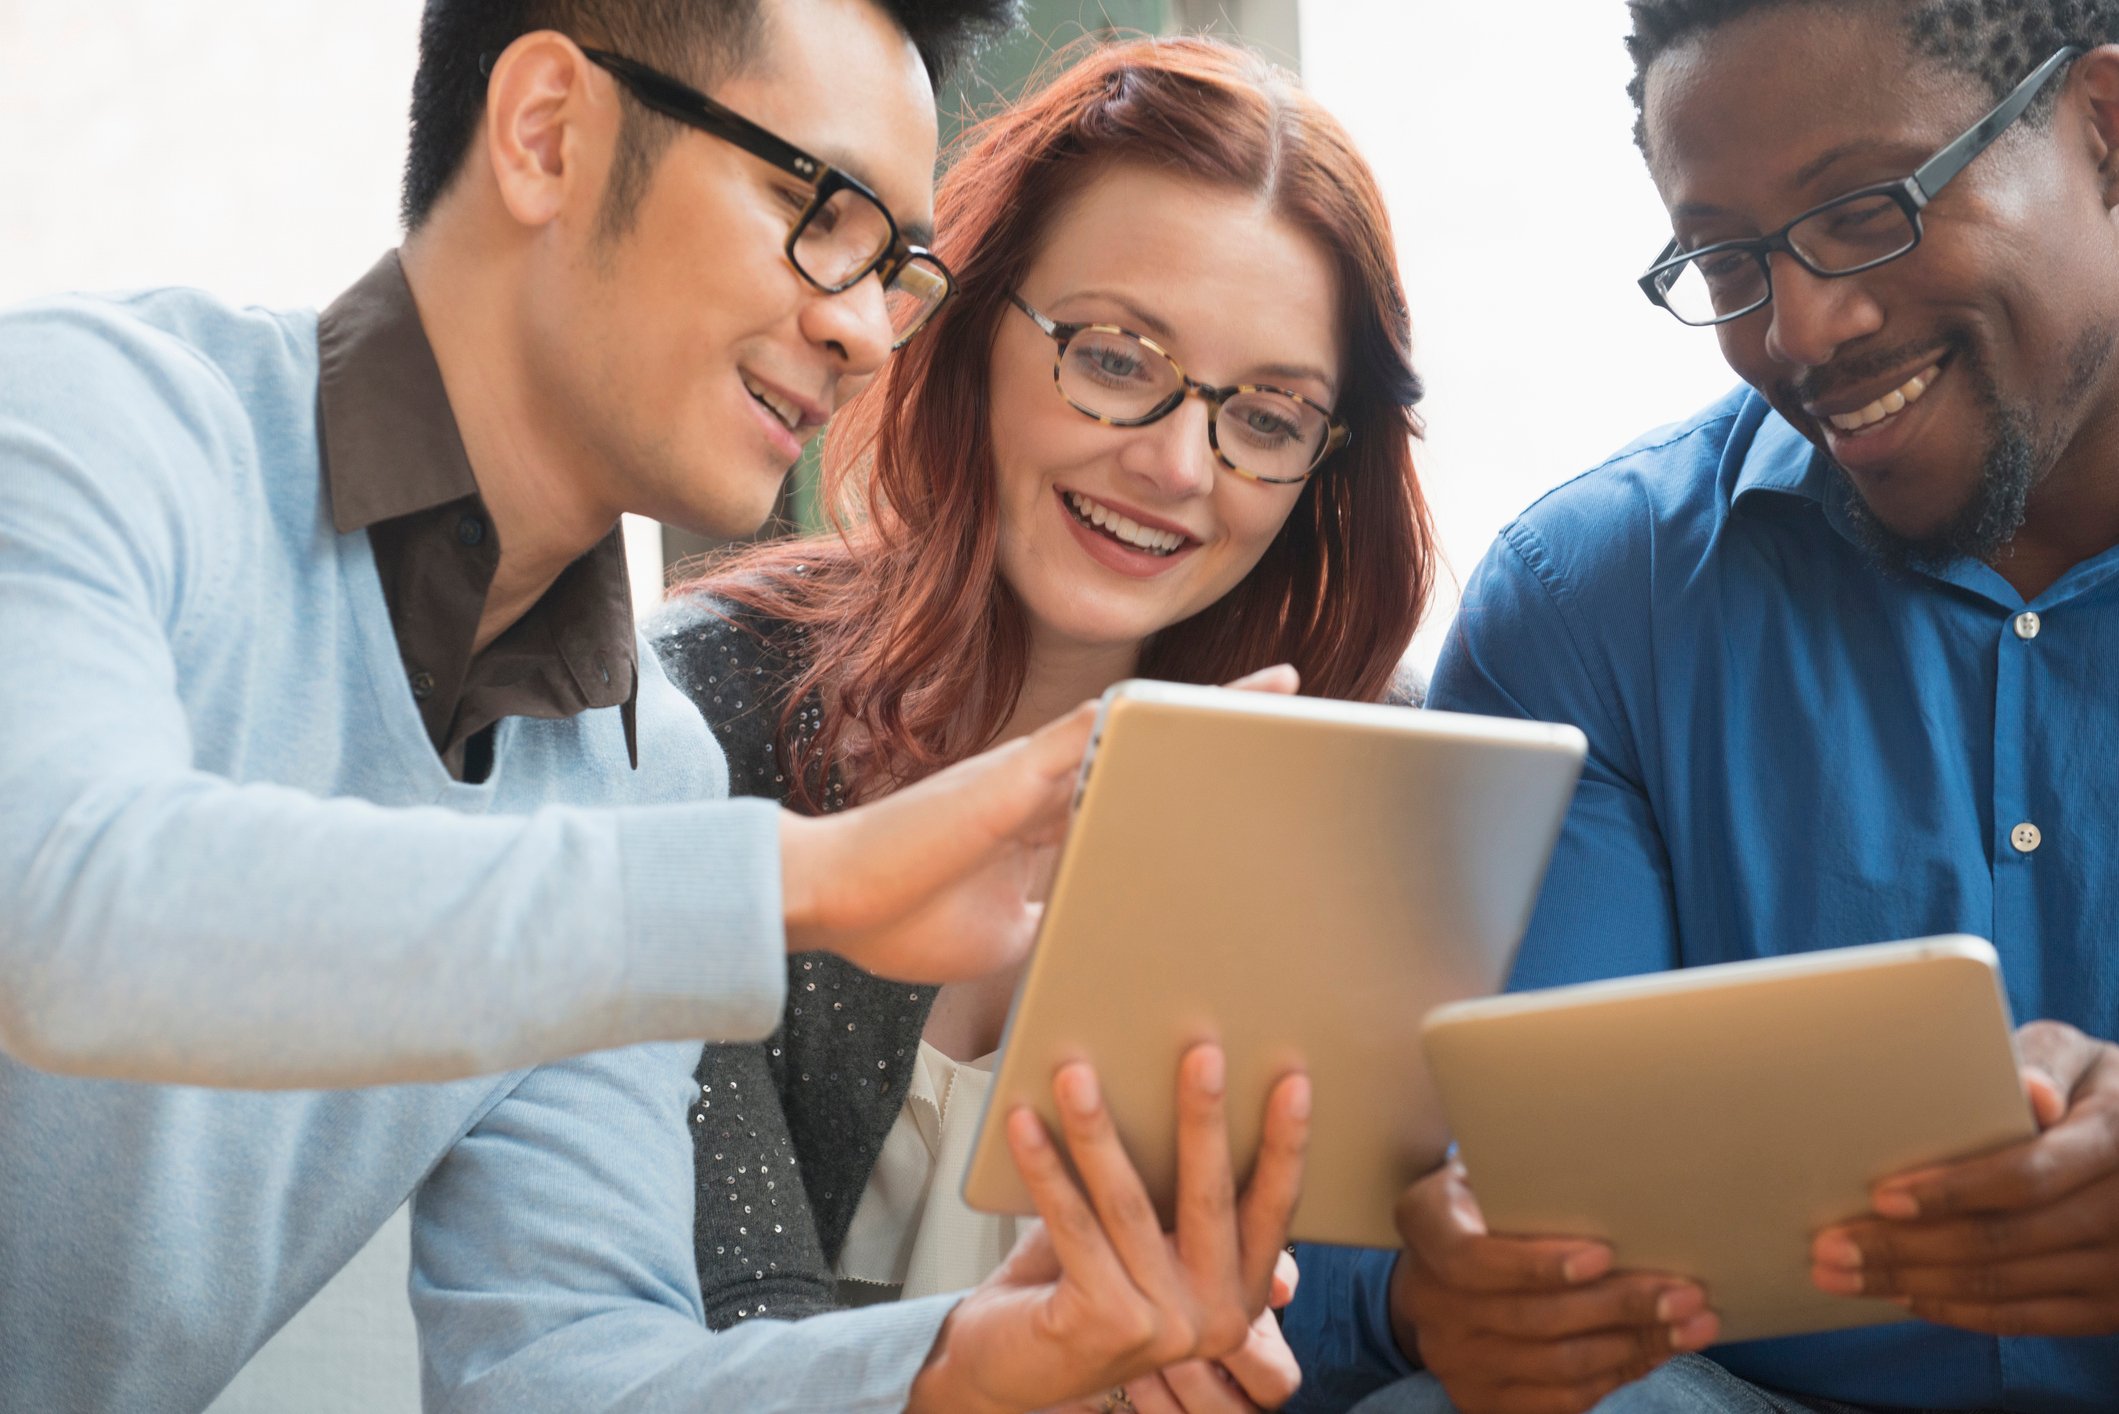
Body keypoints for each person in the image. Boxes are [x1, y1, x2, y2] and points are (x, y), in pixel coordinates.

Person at [0, 1, 1304, 1408]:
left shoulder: (640, 775)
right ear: (548, 133)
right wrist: (802, 880)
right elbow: (62, 906)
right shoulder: (85, 425)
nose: (867, 332)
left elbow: (556, 1374)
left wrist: (980, 1357)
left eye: (897, 269)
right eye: (820, 211)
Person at [1278, 2, 2119, 1412]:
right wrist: (1464, 1287)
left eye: (1866, 210)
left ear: (2106, 127)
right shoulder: (1588, 603)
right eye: (1727, 258)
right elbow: (1444, 1205)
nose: (1800, 329)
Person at [651, 33, 1436, 1414]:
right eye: (1118, 359)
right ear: (969, 322)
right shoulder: (697, 716)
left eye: (1268, 416)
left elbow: (1328, 1319)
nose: (1180, 467)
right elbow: (713, 1335)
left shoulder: (1349, 776)